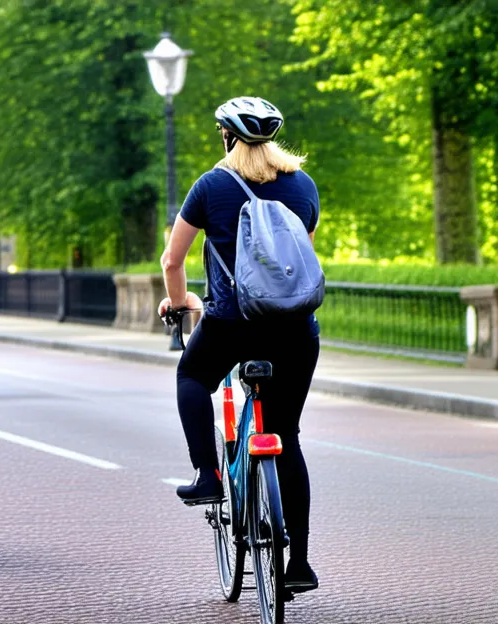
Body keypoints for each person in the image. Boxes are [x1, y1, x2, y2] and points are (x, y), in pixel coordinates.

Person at [158, 97, 322, 592]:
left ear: (227, 137)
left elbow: (172, 259)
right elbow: (299, 256)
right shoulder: (303, 184)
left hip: (232, 325)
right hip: (295, 329)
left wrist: (181, 301)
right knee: (287, 436)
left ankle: (207, 474)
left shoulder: (211, 186)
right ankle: (300, 564)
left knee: (191, 376)